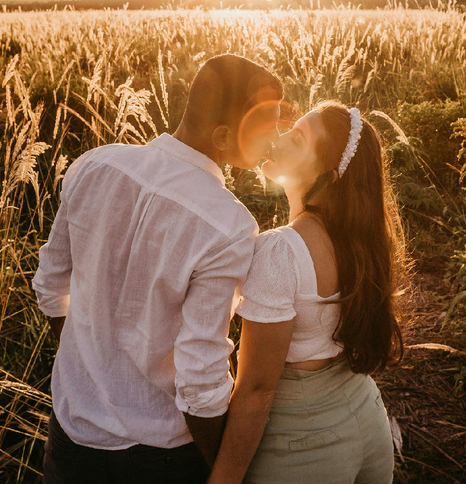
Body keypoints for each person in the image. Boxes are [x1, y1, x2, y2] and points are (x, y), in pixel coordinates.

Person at [32, 54, 283, 484]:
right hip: (161, 458)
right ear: (224, 136)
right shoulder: (228, 226)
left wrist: (94, 365)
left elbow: (50, 288)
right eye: (265, 128)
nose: (275, 140)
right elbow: (200, 379)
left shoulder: (94, 164)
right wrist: (221, 468)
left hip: (70, 437)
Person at [208, 101, 408, 484]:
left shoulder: (280, 251)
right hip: (368, 422)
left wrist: (223, 479)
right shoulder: (360, 242)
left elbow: (256, 390)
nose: (278, 138)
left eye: (297, 139)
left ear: (328, 178)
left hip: (304, 450)